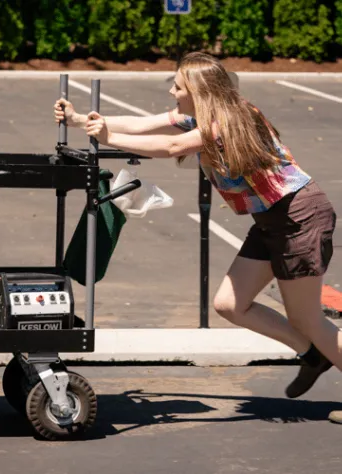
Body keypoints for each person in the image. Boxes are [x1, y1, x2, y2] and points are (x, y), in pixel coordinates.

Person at [53, 52, 342, 423]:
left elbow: (172, 147)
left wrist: (108, 136)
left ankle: (313, 344)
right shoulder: (202, 114)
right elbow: (148, 124)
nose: (172, 91)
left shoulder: (229, 119)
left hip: (298, 217)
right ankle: (313, 354)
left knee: (307, 318)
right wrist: (84, 122)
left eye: (178, 85)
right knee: (230, 305)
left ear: (199, 90)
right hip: (272, 220)